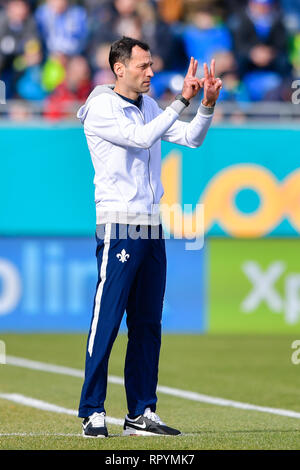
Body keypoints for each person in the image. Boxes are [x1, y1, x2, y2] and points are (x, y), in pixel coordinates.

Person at [76, 36, 222, 438]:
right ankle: (91, 410)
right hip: (119, 224)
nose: (151, 72)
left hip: (151, 225)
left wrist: (205, 104)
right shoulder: (102, 105)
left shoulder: (151, 106)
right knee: (107, 319)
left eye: (152, 64)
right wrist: (182, 101)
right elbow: (141, 138)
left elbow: (190, 139)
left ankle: (140, 412)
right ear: (119, 68)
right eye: (143, 66)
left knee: (147, 323)